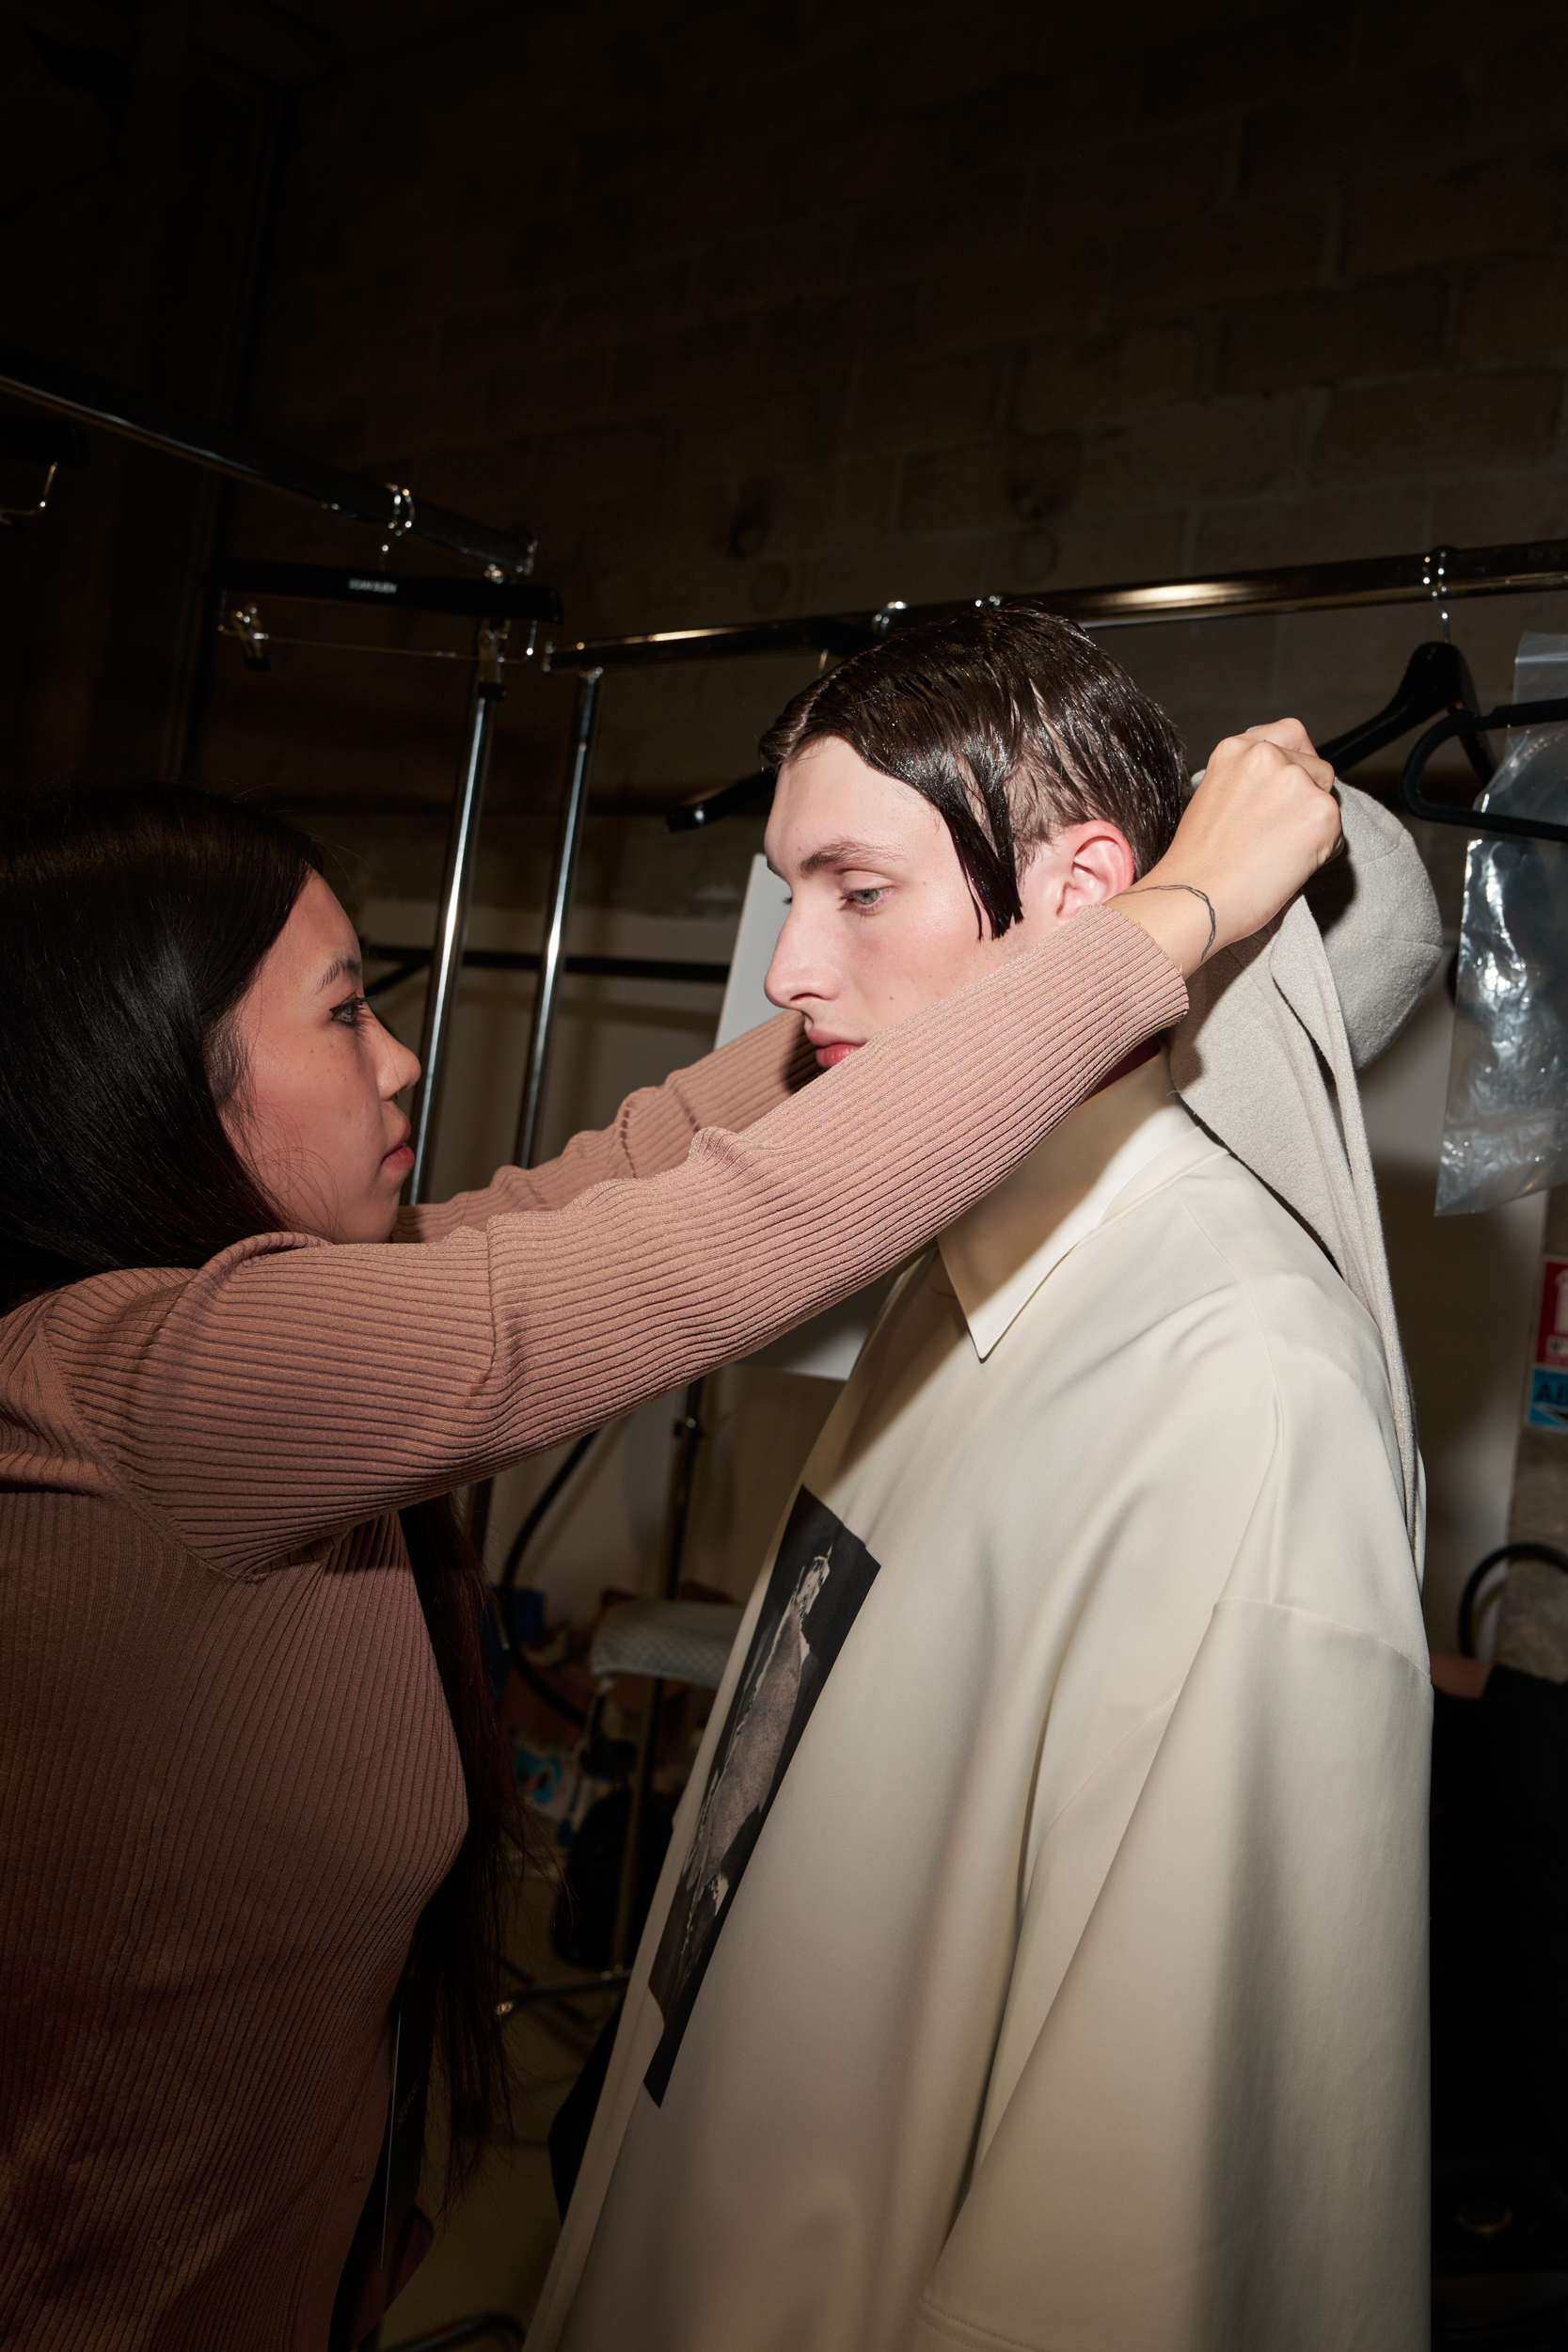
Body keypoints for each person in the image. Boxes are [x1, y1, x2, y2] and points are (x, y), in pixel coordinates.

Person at [0, 739, 1337, 2352]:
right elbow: (719, 1243)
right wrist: (1176, 918)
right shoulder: (165, 1379)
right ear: (143, 1074)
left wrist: (891, 992)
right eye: (347, 1011)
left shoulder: (247, 1327)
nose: (405, 1057)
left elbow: (633, 1177)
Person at [528, 610, 1439, 2352]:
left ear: (1091, 895)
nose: (791, 973)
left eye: (857, 892)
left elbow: (1150, 2226)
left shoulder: (1238, 1388)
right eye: (792, 895)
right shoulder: (953, 1252)